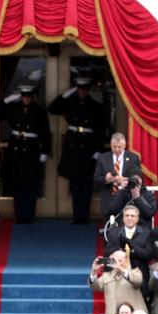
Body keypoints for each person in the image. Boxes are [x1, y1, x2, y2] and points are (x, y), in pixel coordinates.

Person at [48, 75, 109, 224]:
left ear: (88, 90)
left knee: (87, 184)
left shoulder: (96, 106)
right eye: (79, 89)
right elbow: (52, 108)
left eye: (84, 89)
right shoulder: (70, 103)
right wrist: (65, 95)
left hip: (88, 147)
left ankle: (84, 216)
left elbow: (102, 129)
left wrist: (98, 149)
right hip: (73, 146)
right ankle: (77, 215)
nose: (82, 92)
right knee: (75, 183)